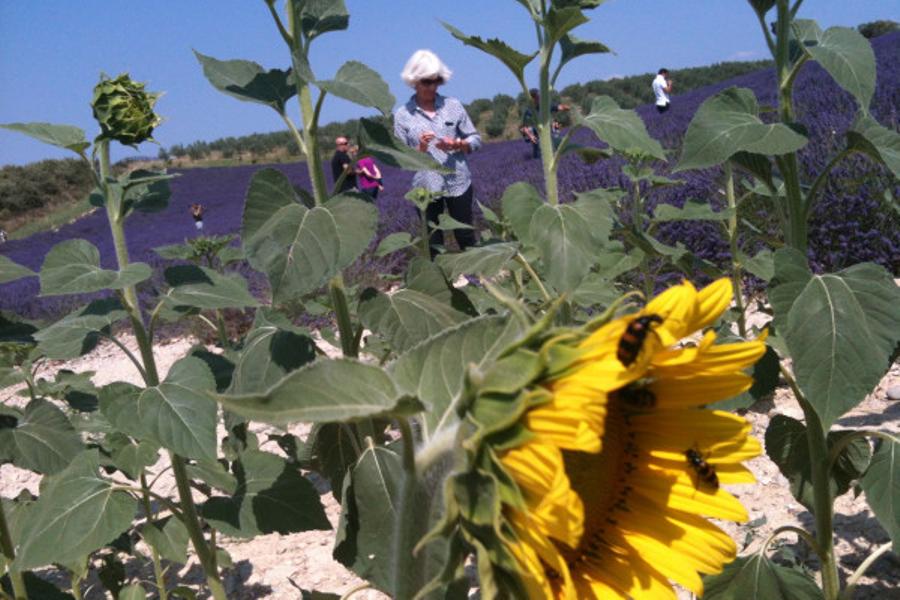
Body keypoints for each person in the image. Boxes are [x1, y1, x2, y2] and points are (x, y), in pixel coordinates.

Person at [394, 49, 482, 259]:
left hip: (458, 181)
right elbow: (399, 157)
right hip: (425, 187)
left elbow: (476, 139)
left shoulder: (453, 106)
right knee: (433, 243)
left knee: (465, 235)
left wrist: (458, 144)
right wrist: (420, 149)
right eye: (427, 82)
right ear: (414, 81)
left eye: (437, 81)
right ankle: (443, 279)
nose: (432, 87)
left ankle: (477, 275)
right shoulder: (402, 115)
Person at [520, 88, 569, 159]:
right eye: (538, 97)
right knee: (538, 155)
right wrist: (530, 136)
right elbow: (524, 127)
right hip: (537, 137)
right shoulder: (529, 111)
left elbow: (559, 107)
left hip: (548, 135)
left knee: (553, 151)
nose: (540, 99)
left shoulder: (545, 107)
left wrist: (569, 108)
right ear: (533, 99)